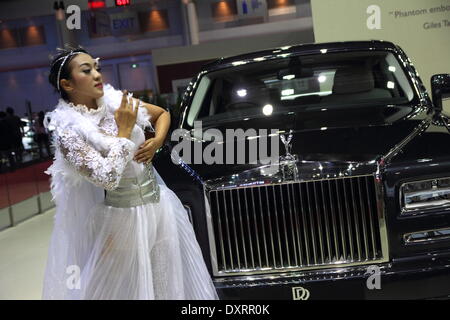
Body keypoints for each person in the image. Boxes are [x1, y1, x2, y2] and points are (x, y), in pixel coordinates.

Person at [42, 47, 219, 300]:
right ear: (67, 84)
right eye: (86, 70)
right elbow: (107, 178)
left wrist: (157, 141)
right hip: (121, 220)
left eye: (97, 68)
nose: (97, 74)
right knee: (128, 289)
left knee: (165, 283)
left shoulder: (116, 103)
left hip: (160, 206)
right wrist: (124, 132)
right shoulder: (68, 133)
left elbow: (162, 114)